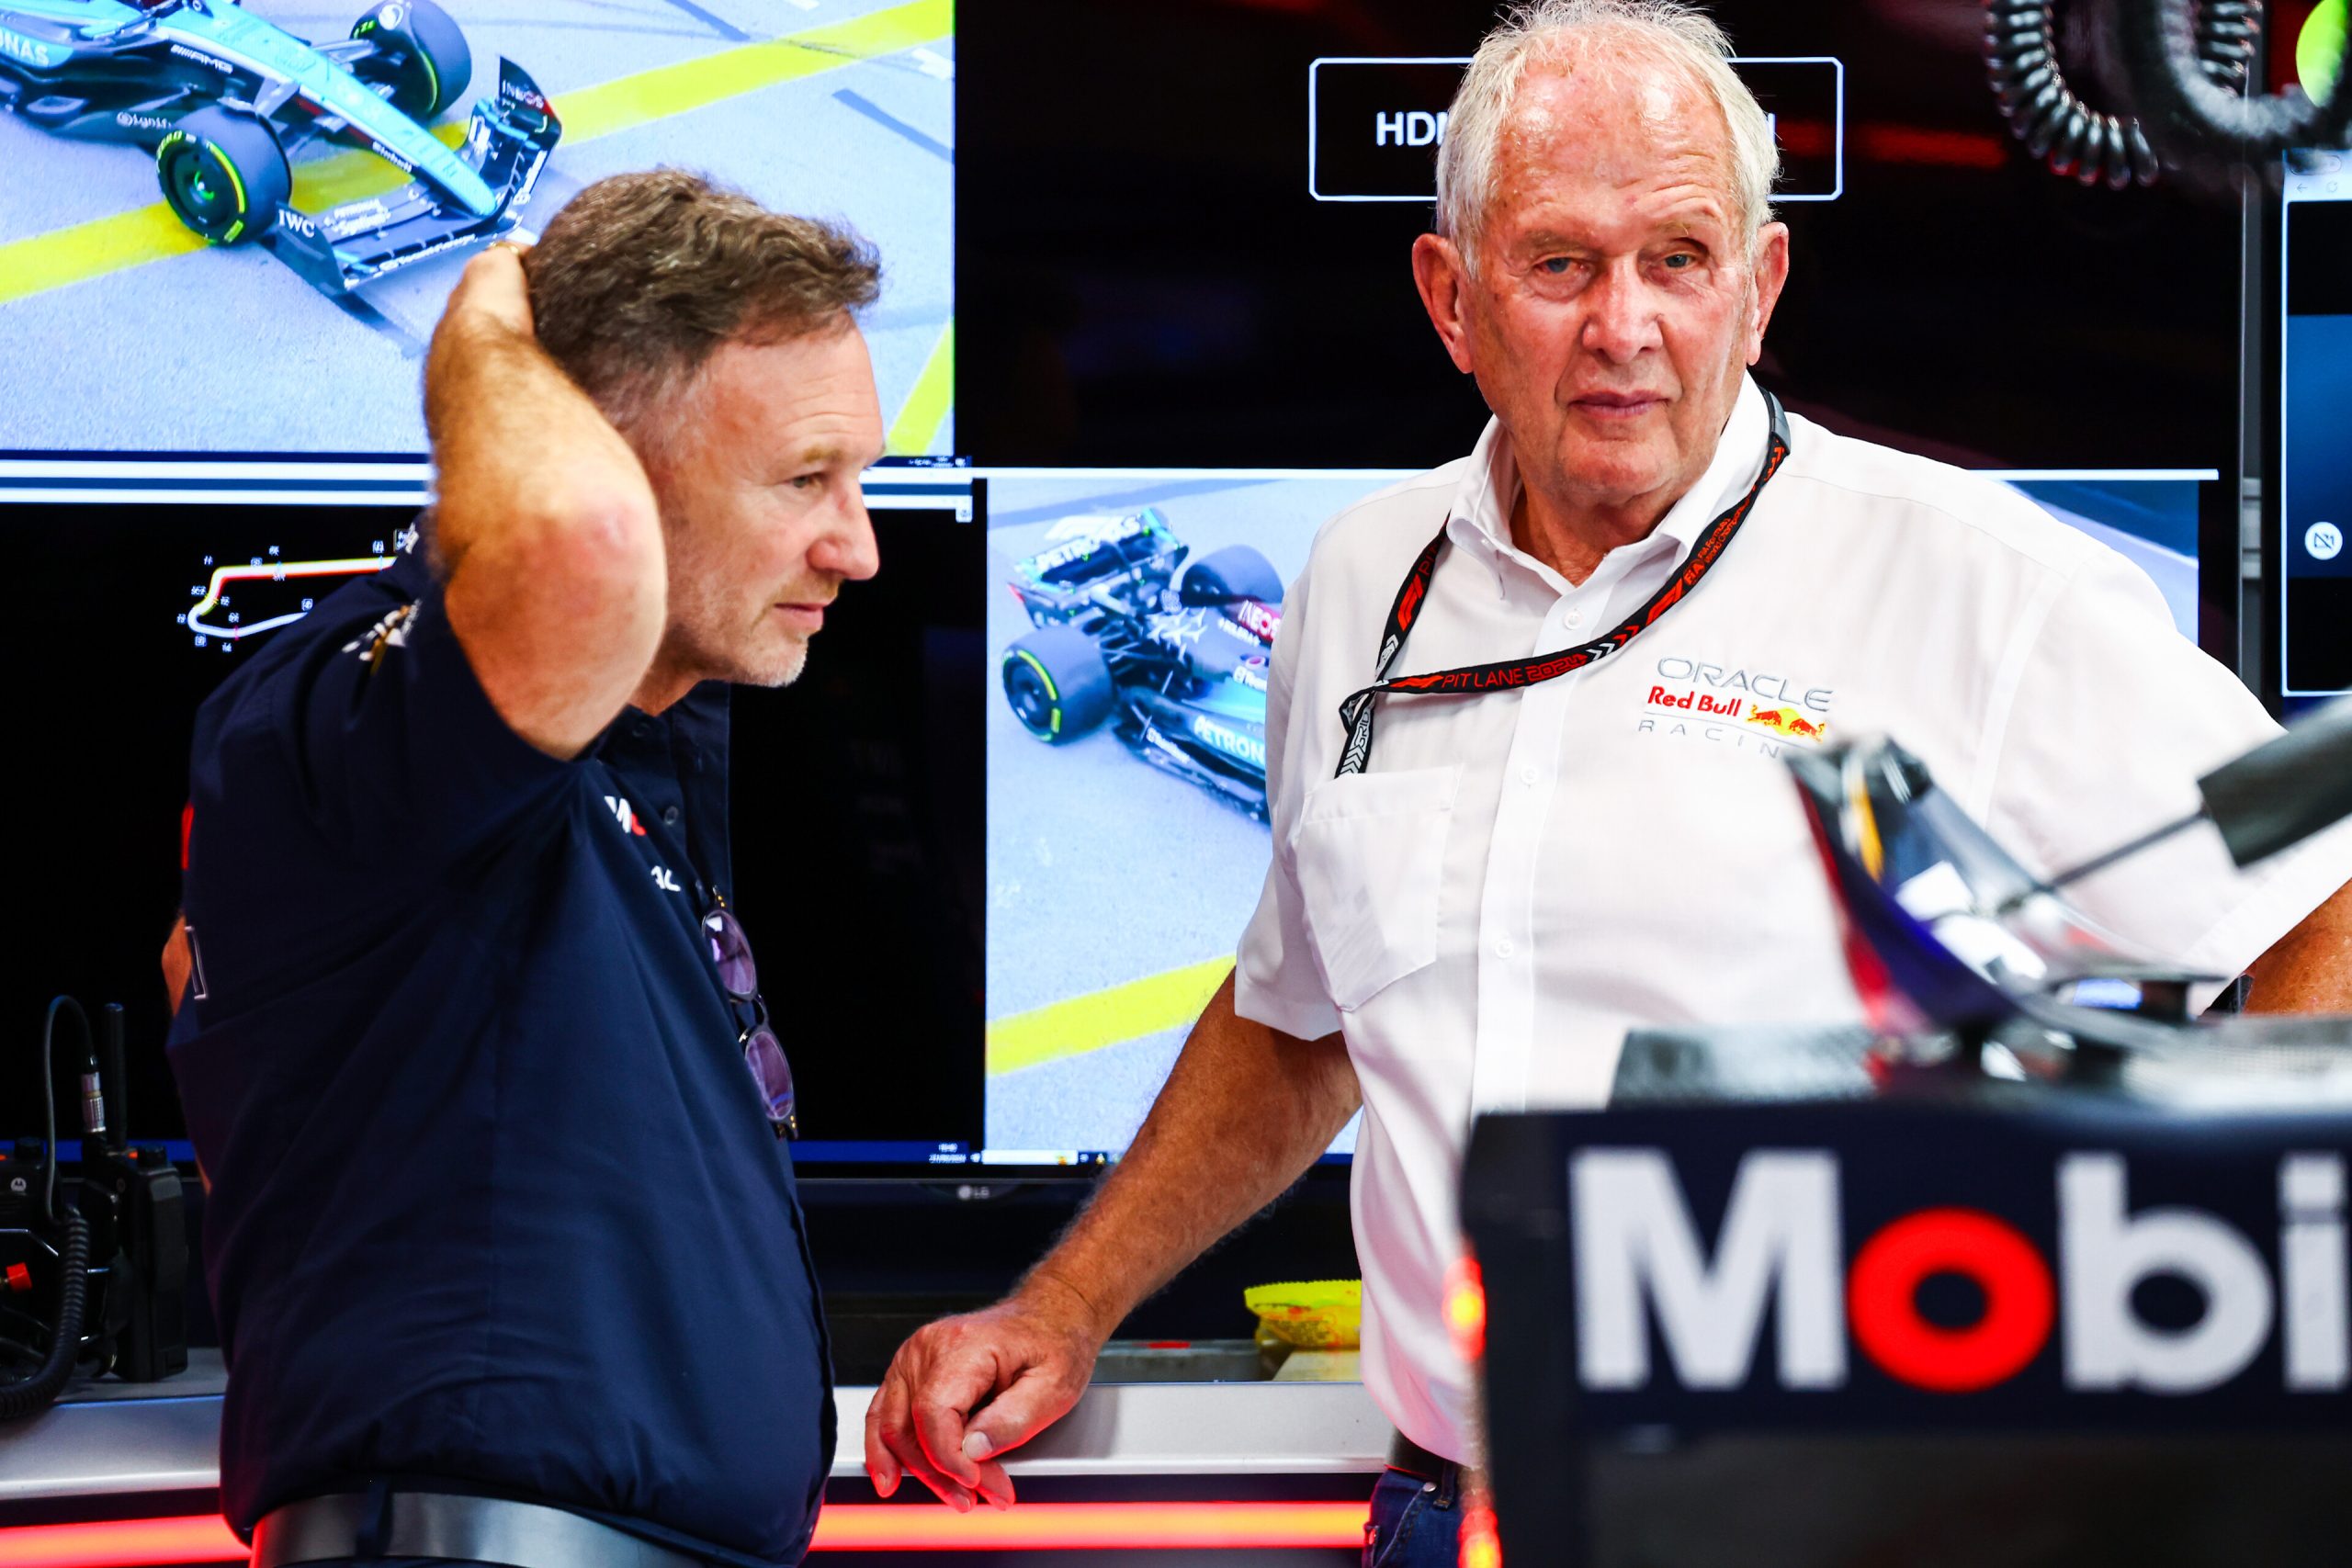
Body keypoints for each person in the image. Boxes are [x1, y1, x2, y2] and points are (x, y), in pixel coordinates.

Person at [866, 3, 2352, 1563]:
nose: (1623, 325)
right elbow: (1304, 1020)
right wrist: (1066, 1303)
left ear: (1760, 289)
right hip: (1447, 1512)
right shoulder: (1361, 582)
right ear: (1451, 298)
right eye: (1561, 262)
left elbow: (2321, 893)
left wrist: (2191, 1326)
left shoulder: (1970, 582)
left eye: (1680, 259)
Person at [164, 171, 886, 1568]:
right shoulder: (358, 709)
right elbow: (575, 550)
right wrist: (486, 323)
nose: (856, 547)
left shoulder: (618, 751)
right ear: (598, 450)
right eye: (806, 480)